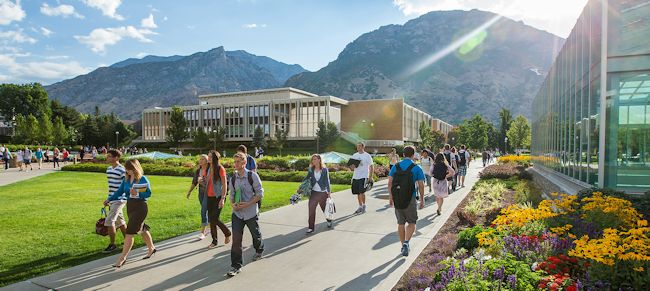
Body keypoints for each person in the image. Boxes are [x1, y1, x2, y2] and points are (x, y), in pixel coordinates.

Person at [105, 159, 156, 268]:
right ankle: (151, 248)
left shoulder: (142, 179)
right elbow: (119, 192)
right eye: (126, 170)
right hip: (130, 206)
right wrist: (109, 199)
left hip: (140, 207)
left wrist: (137, 192)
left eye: (129, 169)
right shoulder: (126, 180)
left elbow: (148, 193)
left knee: (129, 232)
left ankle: (122, 258)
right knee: (141, 228)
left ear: (135, 168)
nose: (127, 172)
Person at [227, 152, 264, 277]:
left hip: (250, 212)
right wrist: (233, 205)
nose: (235, 164)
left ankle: (259, 249)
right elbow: (231, 195)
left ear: (244, 163)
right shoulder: (233, 178)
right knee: (236, 240)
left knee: (255, 234)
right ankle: (235, 266)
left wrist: (247, 204)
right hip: (237, 214)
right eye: (234, 161)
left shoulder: (252, 176)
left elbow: (259, 194)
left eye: (238, 161)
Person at [388, 146, 425, 257]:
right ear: (413, 155)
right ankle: (406, 242)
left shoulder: (395, 166)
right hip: (411, 198)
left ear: (403, 154)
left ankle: (403, 245)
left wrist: (391, 198)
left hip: (398, 198)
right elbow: (421, 185)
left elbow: (390, 183)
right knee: (412, 222)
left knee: (401, 223)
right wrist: (422, 199)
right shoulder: (416, 168)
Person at [204, 150, 232, 248]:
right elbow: (208, 182)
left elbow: (224, 184)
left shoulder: (220, 168)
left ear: (215, 158)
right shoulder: (208, 168)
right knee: (212, 220)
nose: (208, 158)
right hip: (209, 197)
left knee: (214, 218)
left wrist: (223, 198)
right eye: (208, 156)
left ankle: (227, 233)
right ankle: (214, 241)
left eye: (210, 157)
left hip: (218, 197)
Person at [300, 154, 333, 234]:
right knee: (311, 210)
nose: (313, 161)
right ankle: (311, 228)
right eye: (312, 159)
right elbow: (306, 178)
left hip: (322, 193)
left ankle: (329, 220)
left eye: (315, 159)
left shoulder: (324, 170)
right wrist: (300, 187)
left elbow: (327, 181)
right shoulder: (311, 169)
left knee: (325, 209)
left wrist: (329, 192)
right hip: (314, 192)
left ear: (319, 160)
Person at [102, 149, 127, 253]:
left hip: (120, 199)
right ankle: (129, 240)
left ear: (116, 158)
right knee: (120, 222)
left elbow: (125, 185)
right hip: (112, 199)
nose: (107, 158)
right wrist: (109, 198)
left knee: (109, 221)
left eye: (109, 156)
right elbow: (111, 187)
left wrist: (117, 198)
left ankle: (112, 245)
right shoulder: (108, 169)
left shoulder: (122, 170)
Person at [187, 155, 211, 240]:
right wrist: (189, 191)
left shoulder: (210, 170)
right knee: (207, 210)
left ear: (207, 160)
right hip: (201, 193)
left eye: (203, 159)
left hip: (209, 193)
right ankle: (212, 225)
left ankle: (202, 232)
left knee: (203, 211)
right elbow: (194, 182)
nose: (200, 161)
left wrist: (203, 180)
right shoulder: (198, 171)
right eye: (200, 159)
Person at [350, 142, 374, 214]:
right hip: (355, 176)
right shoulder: (355, 155)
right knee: (357, 192)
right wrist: (353, 166)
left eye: (359, 146)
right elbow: (351, 167)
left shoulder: (367, 156)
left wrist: (370, 177)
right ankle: (360, 206)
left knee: (362, 192)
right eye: (357, 146)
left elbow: (371, 166)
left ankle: (364, 205)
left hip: (364, 176)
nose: (358, 147)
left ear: (363, 147)